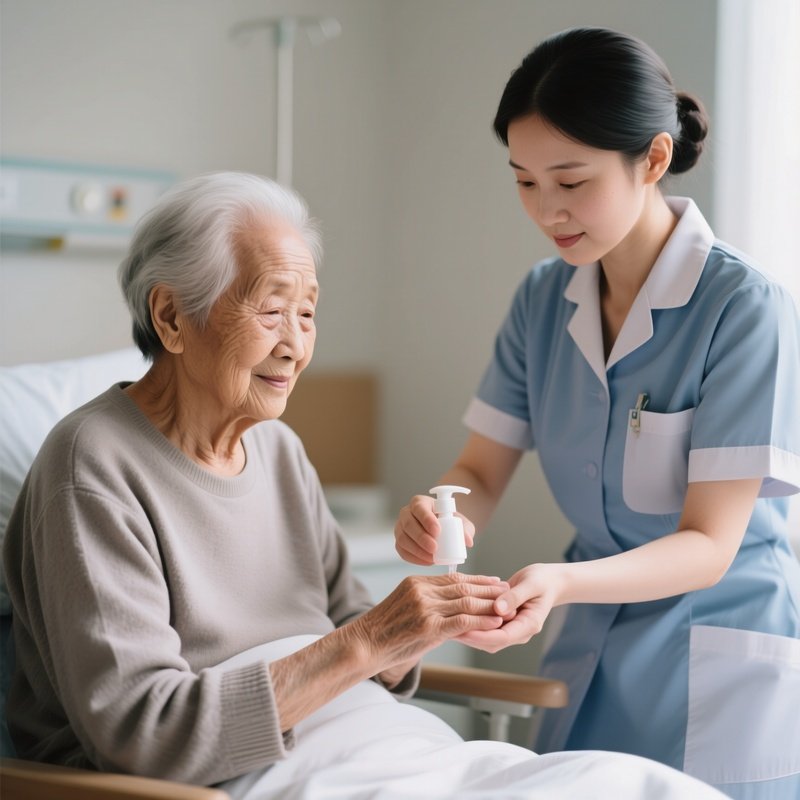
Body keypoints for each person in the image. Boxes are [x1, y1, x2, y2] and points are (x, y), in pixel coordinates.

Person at [393, 27, 800, 800]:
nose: (548, 210)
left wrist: (561, 582)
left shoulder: (745, 310)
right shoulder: (543, 299)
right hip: (592, 642)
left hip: (717, 656)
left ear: (651, 160)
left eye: (571, 182)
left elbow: (710, 545)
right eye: (524, 182)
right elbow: (479, 468)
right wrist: (439, 513)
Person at [1, 172, 510, 785]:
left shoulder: (279, 450)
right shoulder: (90, 467)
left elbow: (355, 634)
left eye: (307, 312)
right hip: (225, 779)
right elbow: (143, 736)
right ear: (170, 317)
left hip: (376, 748)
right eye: (271, 310)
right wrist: (375, 637)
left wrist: (419, 630)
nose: (295, 345)